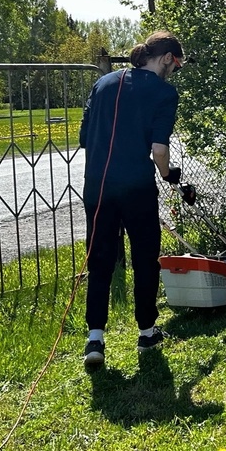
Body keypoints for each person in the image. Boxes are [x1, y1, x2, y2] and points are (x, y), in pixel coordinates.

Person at [78, 30, 185, 372]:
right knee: (144, 258)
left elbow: (84, 137)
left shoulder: (103, 83)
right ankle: (147, 332)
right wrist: (169, 175)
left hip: (97, 187)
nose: (175, 71)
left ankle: (95, 338)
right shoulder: (165, 93)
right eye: (177, 64)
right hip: (137, 188)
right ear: (167, 57)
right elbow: (158, 150)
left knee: (100, 262)